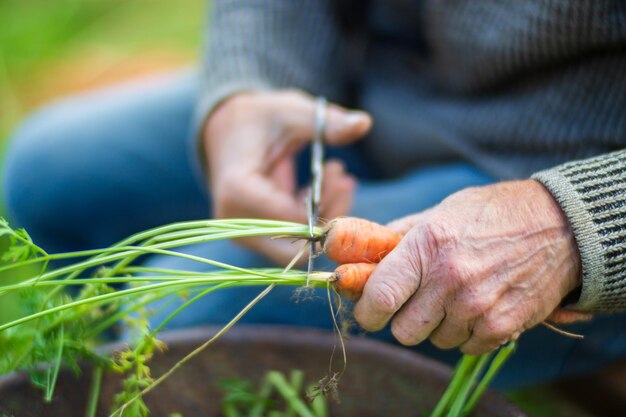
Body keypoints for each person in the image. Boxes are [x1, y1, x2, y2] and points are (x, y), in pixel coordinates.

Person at [3, 1, 626, 389]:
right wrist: (252, 87)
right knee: (45, 171)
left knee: (183, 326)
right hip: (367, 100)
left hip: (566, 183)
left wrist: (572, 227)